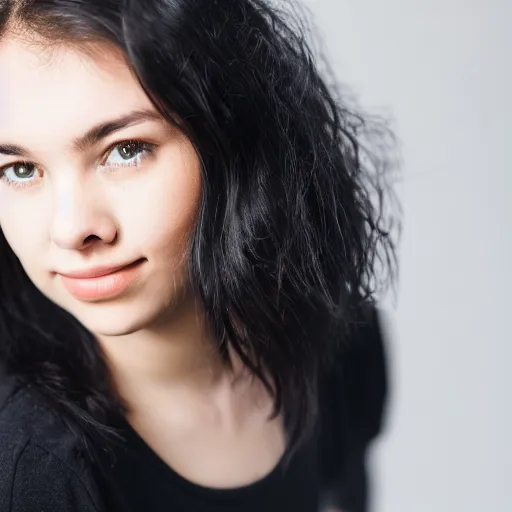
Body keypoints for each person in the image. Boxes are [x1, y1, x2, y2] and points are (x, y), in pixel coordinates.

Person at [0, 0, 399, 511]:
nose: (73, 229)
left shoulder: (339, 341)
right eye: (19, 170)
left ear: (231, 141)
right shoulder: (32, 465)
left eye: (125, 150)